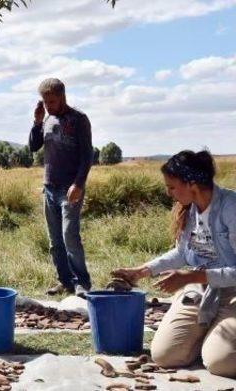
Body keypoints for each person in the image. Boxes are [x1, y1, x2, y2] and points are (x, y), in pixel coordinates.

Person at [113, 150, 236, 378]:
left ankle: (214, 342)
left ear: (191, 184)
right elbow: (182, 253)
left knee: (222, 363)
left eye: (171, 187)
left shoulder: (231, 207)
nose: (168, 193)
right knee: (164, 355)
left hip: (232, 293)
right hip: (202, 290)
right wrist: (141, 271)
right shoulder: (190, 211)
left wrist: (190, 277)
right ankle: (210, 335)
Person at [29, 78, 93, 298]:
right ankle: (64, 281)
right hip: (49, 187)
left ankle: (82, 282)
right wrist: (37, 122)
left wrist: (79, 183)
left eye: (52, 101)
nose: (49, 106)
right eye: (45, 102)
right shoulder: (47, 118)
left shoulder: (78, 120)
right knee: (54, 240)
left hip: (69, 188)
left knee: (69, 236)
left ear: (63, 97)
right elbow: (33, 146)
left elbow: (87, 156)